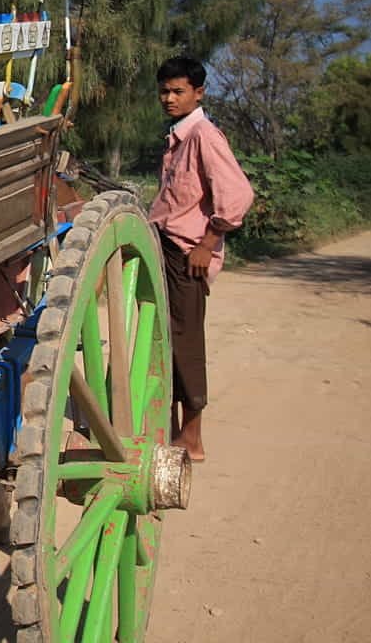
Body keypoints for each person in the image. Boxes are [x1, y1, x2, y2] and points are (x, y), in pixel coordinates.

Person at [147, 56, 254, 462]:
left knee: (186, 341)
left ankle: (192, 439)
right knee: (165, 338)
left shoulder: (203, 135)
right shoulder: (178, 136)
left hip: (187, 253)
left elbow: (238, 195)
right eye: (164, 91)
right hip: (168, 246)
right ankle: (171, 430)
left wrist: (207, 243)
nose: (169, 99)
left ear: (199, 93)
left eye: (178, 91)